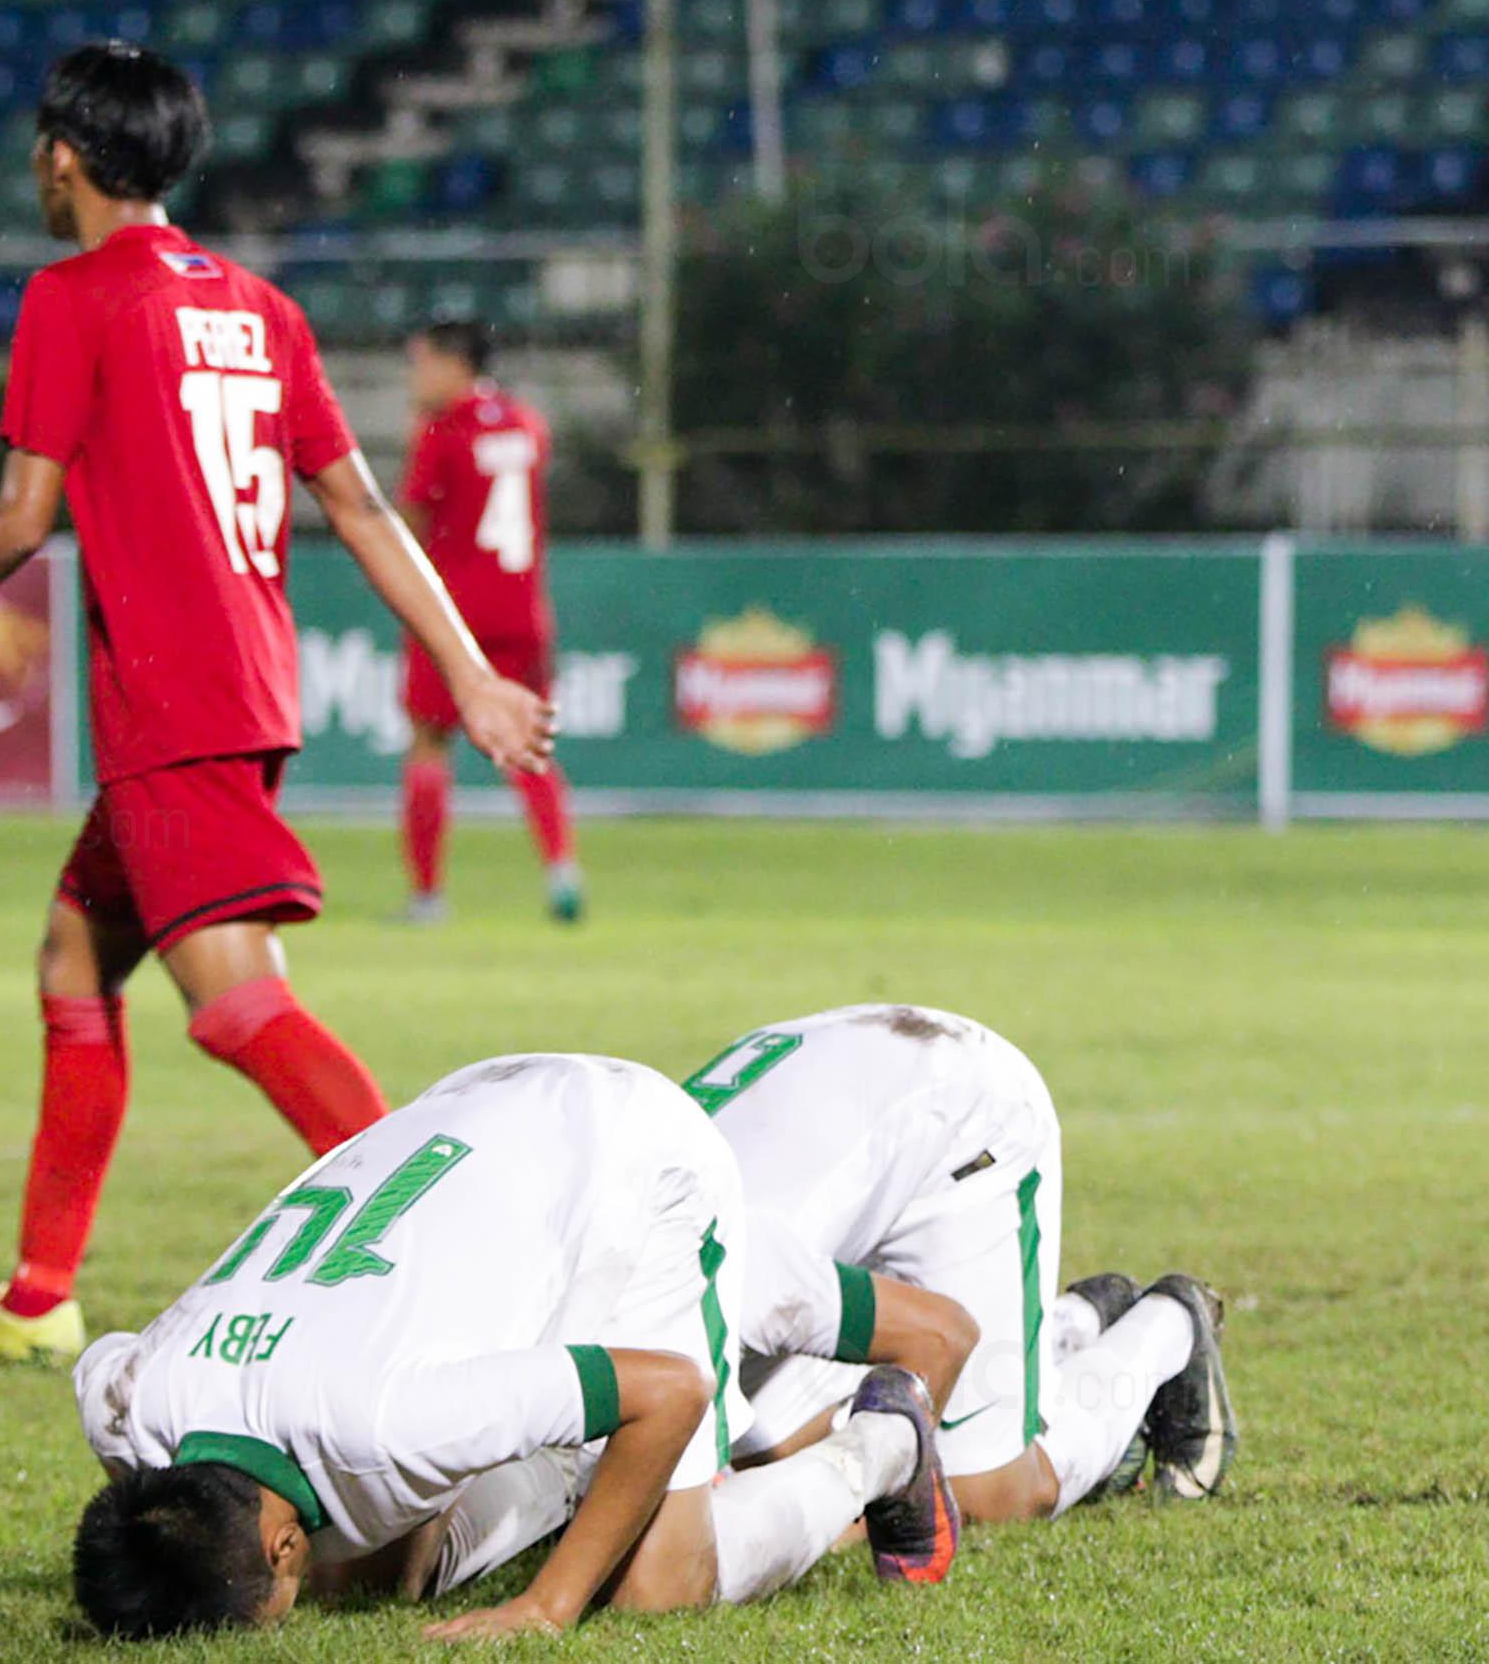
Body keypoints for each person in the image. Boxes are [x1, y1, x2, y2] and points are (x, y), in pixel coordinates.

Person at [0, 42, 555, 1369]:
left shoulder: (75, 296)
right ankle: (43, 1294)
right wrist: (468, 670)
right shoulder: (261, 307)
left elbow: (18, 516)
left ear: (63, 155)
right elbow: (363, 507)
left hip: (173, 694)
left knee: (234, 1003)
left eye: (39, 157)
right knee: (73, 959)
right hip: (242, 682)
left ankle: (451, 1254)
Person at [67, 1053, 958, 1642]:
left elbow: (668, 1388)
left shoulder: (389, 1420)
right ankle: (564, 1455)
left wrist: (547, 1604)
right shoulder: (133, 1397)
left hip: (632, 1145)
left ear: (280, 1548)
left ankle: (889, 1443)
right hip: (474, 1112)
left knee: (660, 1578)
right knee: (384, 1568)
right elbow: (96, 1364)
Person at [693, 1004, 1236, 1522]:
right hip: (834, 1084)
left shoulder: (709, 1278)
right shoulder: (670, 1280)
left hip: (960, 1109)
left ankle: (1171, 1324)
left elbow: (937, 1336)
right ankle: (1073, 1326)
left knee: (986, 1490)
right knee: (772, 1454)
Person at [392, 320, 581, 926]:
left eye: (424, 363)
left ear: (456, 364)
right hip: (523, 610)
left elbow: (408, 524)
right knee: (528, 743)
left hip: (455, 615)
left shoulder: (442, 432)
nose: (417, 377)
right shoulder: (528, 423)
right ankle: (561, 872)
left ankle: (428, 897)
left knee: (429, 742)